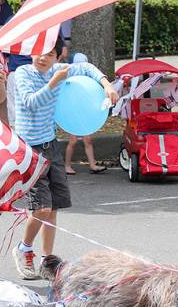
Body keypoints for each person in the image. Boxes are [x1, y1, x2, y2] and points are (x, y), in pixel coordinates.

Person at [11, 37, 119, 279]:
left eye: (49, 54)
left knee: (53, 209)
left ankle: (47, 260)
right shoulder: (23, 73)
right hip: (29, 149)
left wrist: (106, 85)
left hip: (51, 145)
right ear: (31, 53)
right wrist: (53, 83)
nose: (43, 58)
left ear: (58, 57)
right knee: (41, 208)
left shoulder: (58, 70)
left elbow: (87, 68)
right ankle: (24, 248)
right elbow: (30, 104)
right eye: (39, 52)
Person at [63, 53, 106, 175]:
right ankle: (67, 165)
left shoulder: (88, 79)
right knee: (73, 140)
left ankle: (92, 164)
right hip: (72, 113)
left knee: (88, 139)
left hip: (83, 112)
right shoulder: (68, 80)